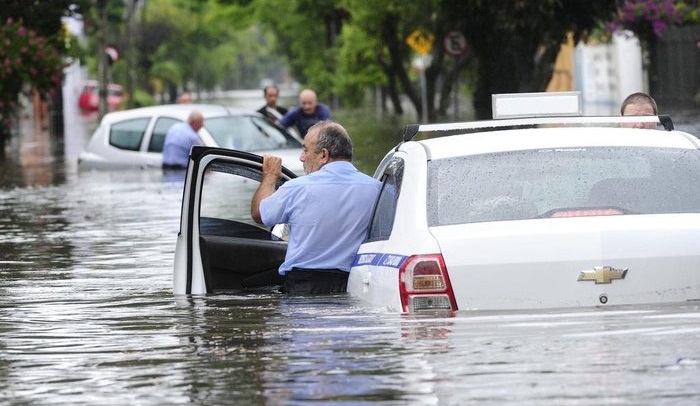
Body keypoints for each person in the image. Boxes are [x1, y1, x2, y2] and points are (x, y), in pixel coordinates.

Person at [251, 121, 381, 294]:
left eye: (305, 150)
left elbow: (259, 213)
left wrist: (269, 176)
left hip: (303, 289)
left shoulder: (296, 188)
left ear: (324, 155)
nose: (301, 157)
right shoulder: (378, 190)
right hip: (354, 287)